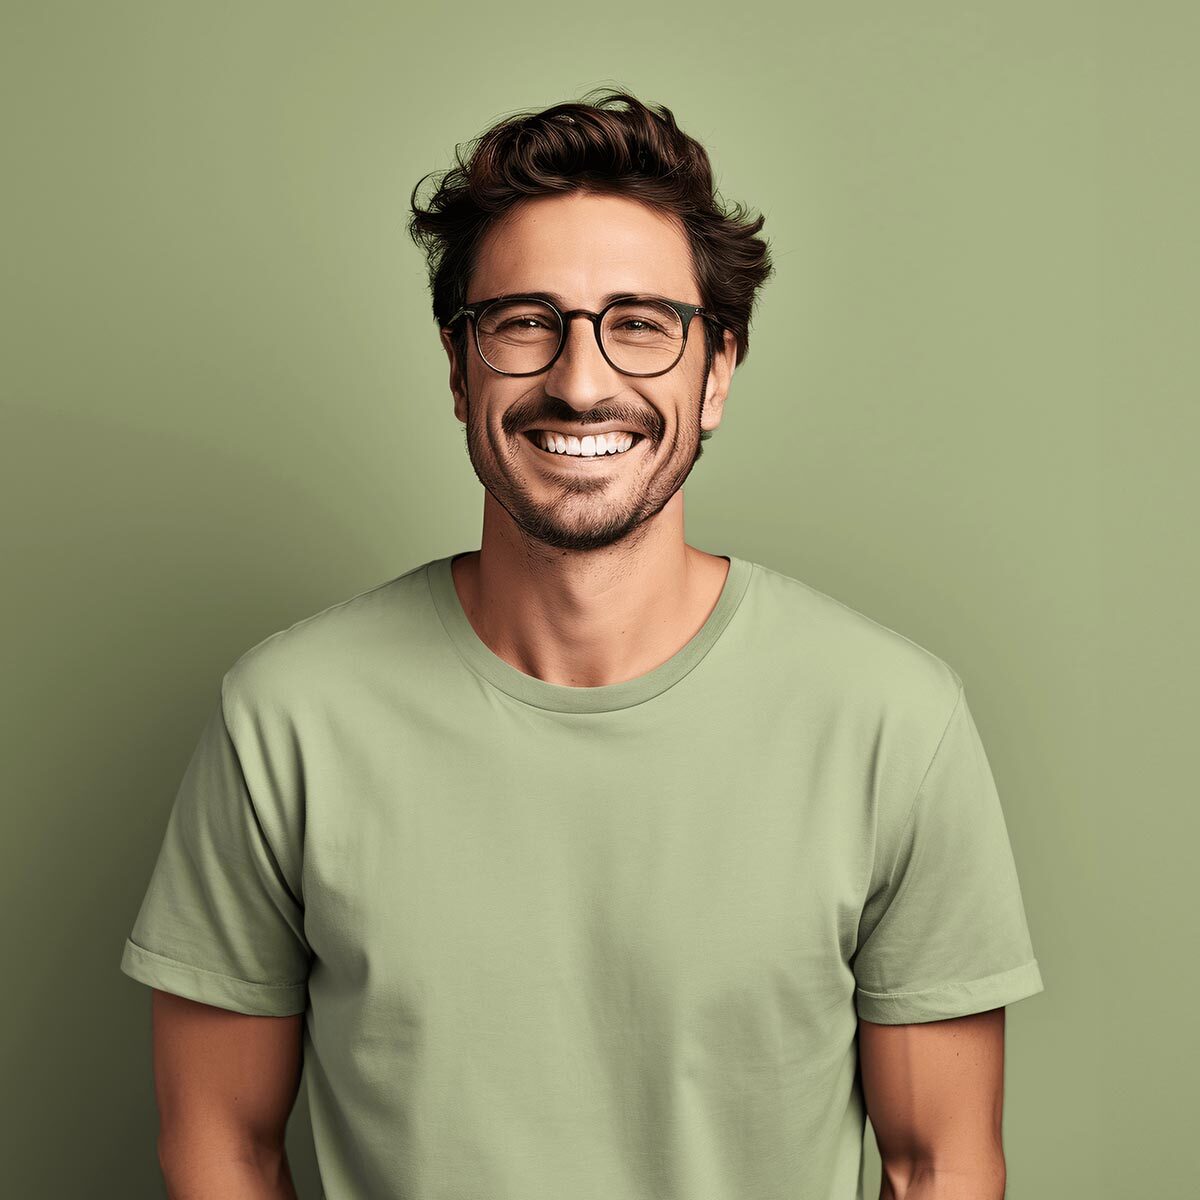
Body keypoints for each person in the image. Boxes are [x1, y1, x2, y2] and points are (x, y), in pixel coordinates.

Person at [120, 88, 1044, 1200]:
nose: (582, 378)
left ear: (719, 373)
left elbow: (936, 1165)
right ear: (459, 370)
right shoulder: (286, 718)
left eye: (641, 324)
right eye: (524, 321)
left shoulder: (893, 722)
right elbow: (219, 1146)